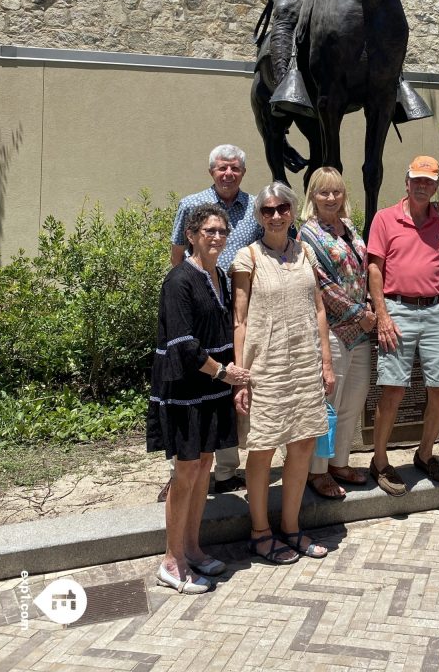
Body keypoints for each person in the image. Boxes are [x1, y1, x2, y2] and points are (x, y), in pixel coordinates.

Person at [231, 182, 336, 563]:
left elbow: (319, 309)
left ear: (292, 211)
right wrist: (240, 376)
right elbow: (239, 320)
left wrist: (326, 361)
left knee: (303, 444)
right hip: (266, 367)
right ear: (259, 216)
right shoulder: (248, 258)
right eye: (267, 210)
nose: (275, 215)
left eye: (282, 209)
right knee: (261, 450)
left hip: (305, 363)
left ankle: (291, 527)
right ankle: (260, 532)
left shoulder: (306, 251)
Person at [146, 203, 249, 593]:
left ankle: (192, 548)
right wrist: (225, 372)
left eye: (222, 231)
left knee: (205, 466)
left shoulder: (219, 276)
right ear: (191, 235)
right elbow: (183, 345)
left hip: (212, 389)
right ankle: (171, 561)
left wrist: (230, 378)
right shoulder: (178, 281)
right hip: (185, 389)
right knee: (185, 472)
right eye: (209, 231)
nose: (217, 237)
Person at [163, 143, 260, 500]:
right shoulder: (191, 204)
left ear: (243, 172)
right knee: (195, 377)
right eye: (222, 168)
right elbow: (177, 255)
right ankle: (181, 471)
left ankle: (226, 471)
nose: (228, 173)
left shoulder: (255, 207)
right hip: (200, 300)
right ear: (211, 171)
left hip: (237, 303)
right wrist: (192, 298)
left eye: (235, 168)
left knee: (227, 383)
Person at [366, 155, 439, 496]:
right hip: (397, 309)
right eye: (417, 179)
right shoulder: (384, 219)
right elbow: (375, 269)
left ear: (435, 187)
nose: (422, 185)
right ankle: (379, 460)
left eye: (429, 181)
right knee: (392, 389)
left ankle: (425, 454)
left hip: (435, 310)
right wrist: (383, 314)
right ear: (407, 182)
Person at [297, 167, 376, 499]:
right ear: (312, 196)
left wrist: (369, 305)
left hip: (360, 331)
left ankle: (339, 463)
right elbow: (322, 284)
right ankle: (317, 471)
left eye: (337, 192)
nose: (331, 198)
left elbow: (364, 270)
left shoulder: (350, 227)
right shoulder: (308, 234)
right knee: (327, 404)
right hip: (331, 330)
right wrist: (361, 314)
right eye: (323, 192)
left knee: (352, 402)